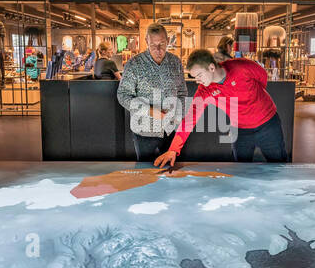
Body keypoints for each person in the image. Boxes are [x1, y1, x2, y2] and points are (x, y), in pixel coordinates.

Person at [154, 49, 287, 167]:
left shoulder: (241, 67)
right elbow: (190, 119)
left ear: (211, 68)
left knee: (279, 165)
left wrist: (256, 101)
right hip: (241, 131)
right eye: (195, 77)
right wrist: (173, 149)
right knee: (241, 170)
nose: (197, 81)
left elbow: (262, 77)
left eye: (199, 75)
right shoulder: (204, 91)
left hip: (268, 125)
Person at [117, 23, 187, 162]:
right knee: (146, 174)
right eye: (153, 45)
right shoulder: (134, 64)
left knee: (170, 172)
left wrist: (178, 116)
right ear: (146, 42)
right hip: (144, 132)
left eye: (162, 43)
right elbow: (123, 95)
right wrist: (149, 111)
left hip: (171, 130)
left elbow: (182, 93)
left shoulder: (175, 62)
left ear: (168, 40)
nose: (158, 49)